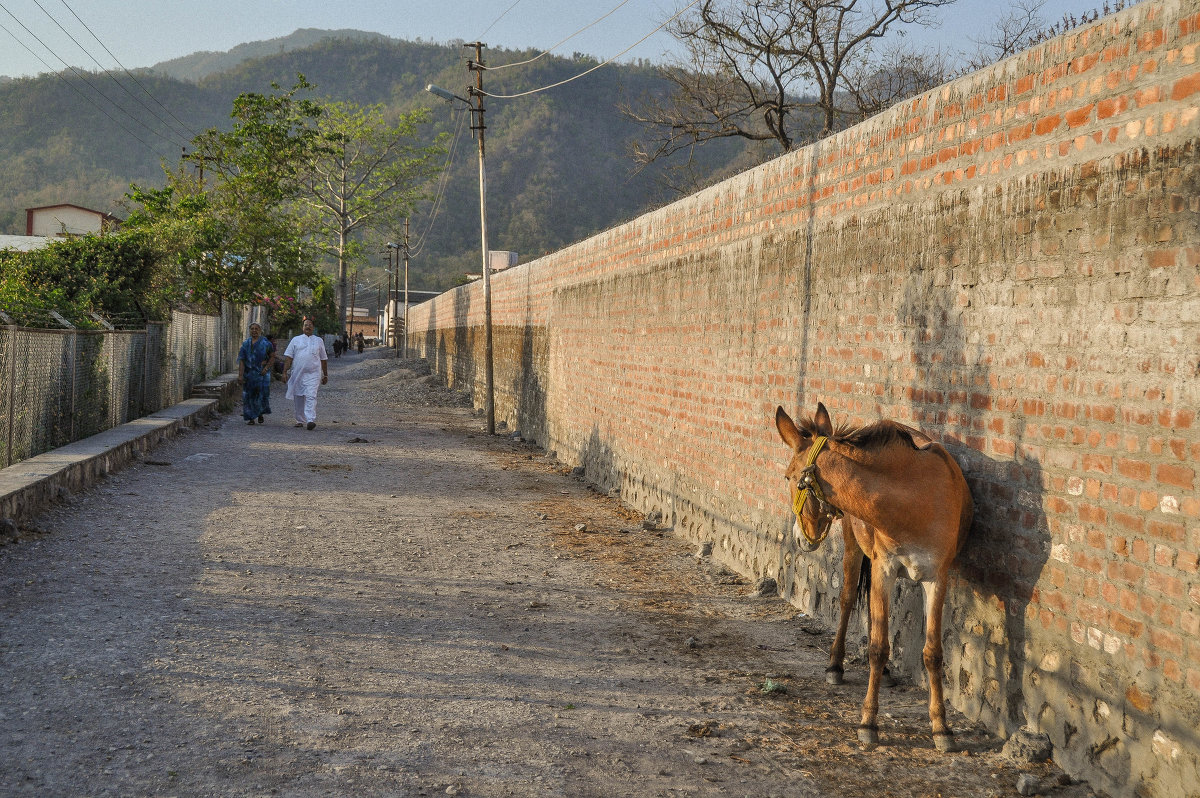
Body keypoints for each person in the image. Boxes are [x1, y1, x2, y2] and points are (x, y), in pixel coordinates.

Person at [282, 318, 329, 430]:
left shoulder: (319, 341)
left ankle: (310, 420)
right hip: (298, 373)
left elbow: (323, 359)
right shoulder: (295, 340)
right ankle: (299, 420)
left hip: (313, 374)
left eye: (310, 325)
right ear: (302, 327)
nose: (308, 327)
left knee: (311, 395)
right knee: (298, 396)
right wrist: (284, 372)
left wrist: (325, 374)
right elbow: (289, 357)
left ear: (313, 327)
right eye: (305, 325)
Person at [237, 322, 275, 425]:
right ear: (249, 330)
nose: (254, 331)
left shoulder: (266, 343)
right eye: (252, 329)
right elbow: (241, 360)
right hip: (249, 373)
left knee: (262, 394)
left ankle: (260, 413)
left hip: (262, 373)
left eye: (256, 329)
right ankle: (251, 418)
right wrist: (240, 375)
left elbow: (272, 357)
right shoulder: (245, 344)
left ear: (260, 330)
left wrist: (266, 368)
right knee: (249, 395)